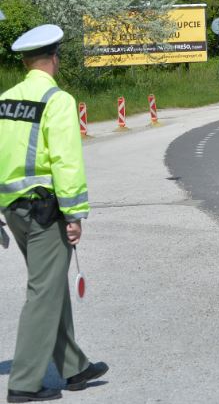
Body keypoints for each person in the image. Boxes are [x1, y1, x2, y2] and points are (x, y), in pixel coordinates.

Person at [1, 25, 108, 402]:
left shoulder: (5, 100)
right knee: (43, 291)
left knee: (50, 283)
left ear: (27, 60)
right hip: (46, 211)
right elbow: (66, 161)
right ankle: (24, 383)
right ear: (54, 59)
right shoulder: (57, 99)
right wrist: (75, 214)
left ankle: (74, 367)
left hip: (14, 211)